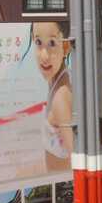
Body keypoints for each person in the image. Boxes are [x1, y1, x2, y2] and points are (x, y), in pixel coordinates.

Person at [32, 21, 73, 173]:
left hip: (66, 190)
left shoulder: (61, 97)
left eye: (52, 43)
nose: (44, 56)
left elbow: (77, 160)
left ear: (66, 46)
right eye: (38, 42)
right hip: (57, 189)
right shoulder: (54, 85)